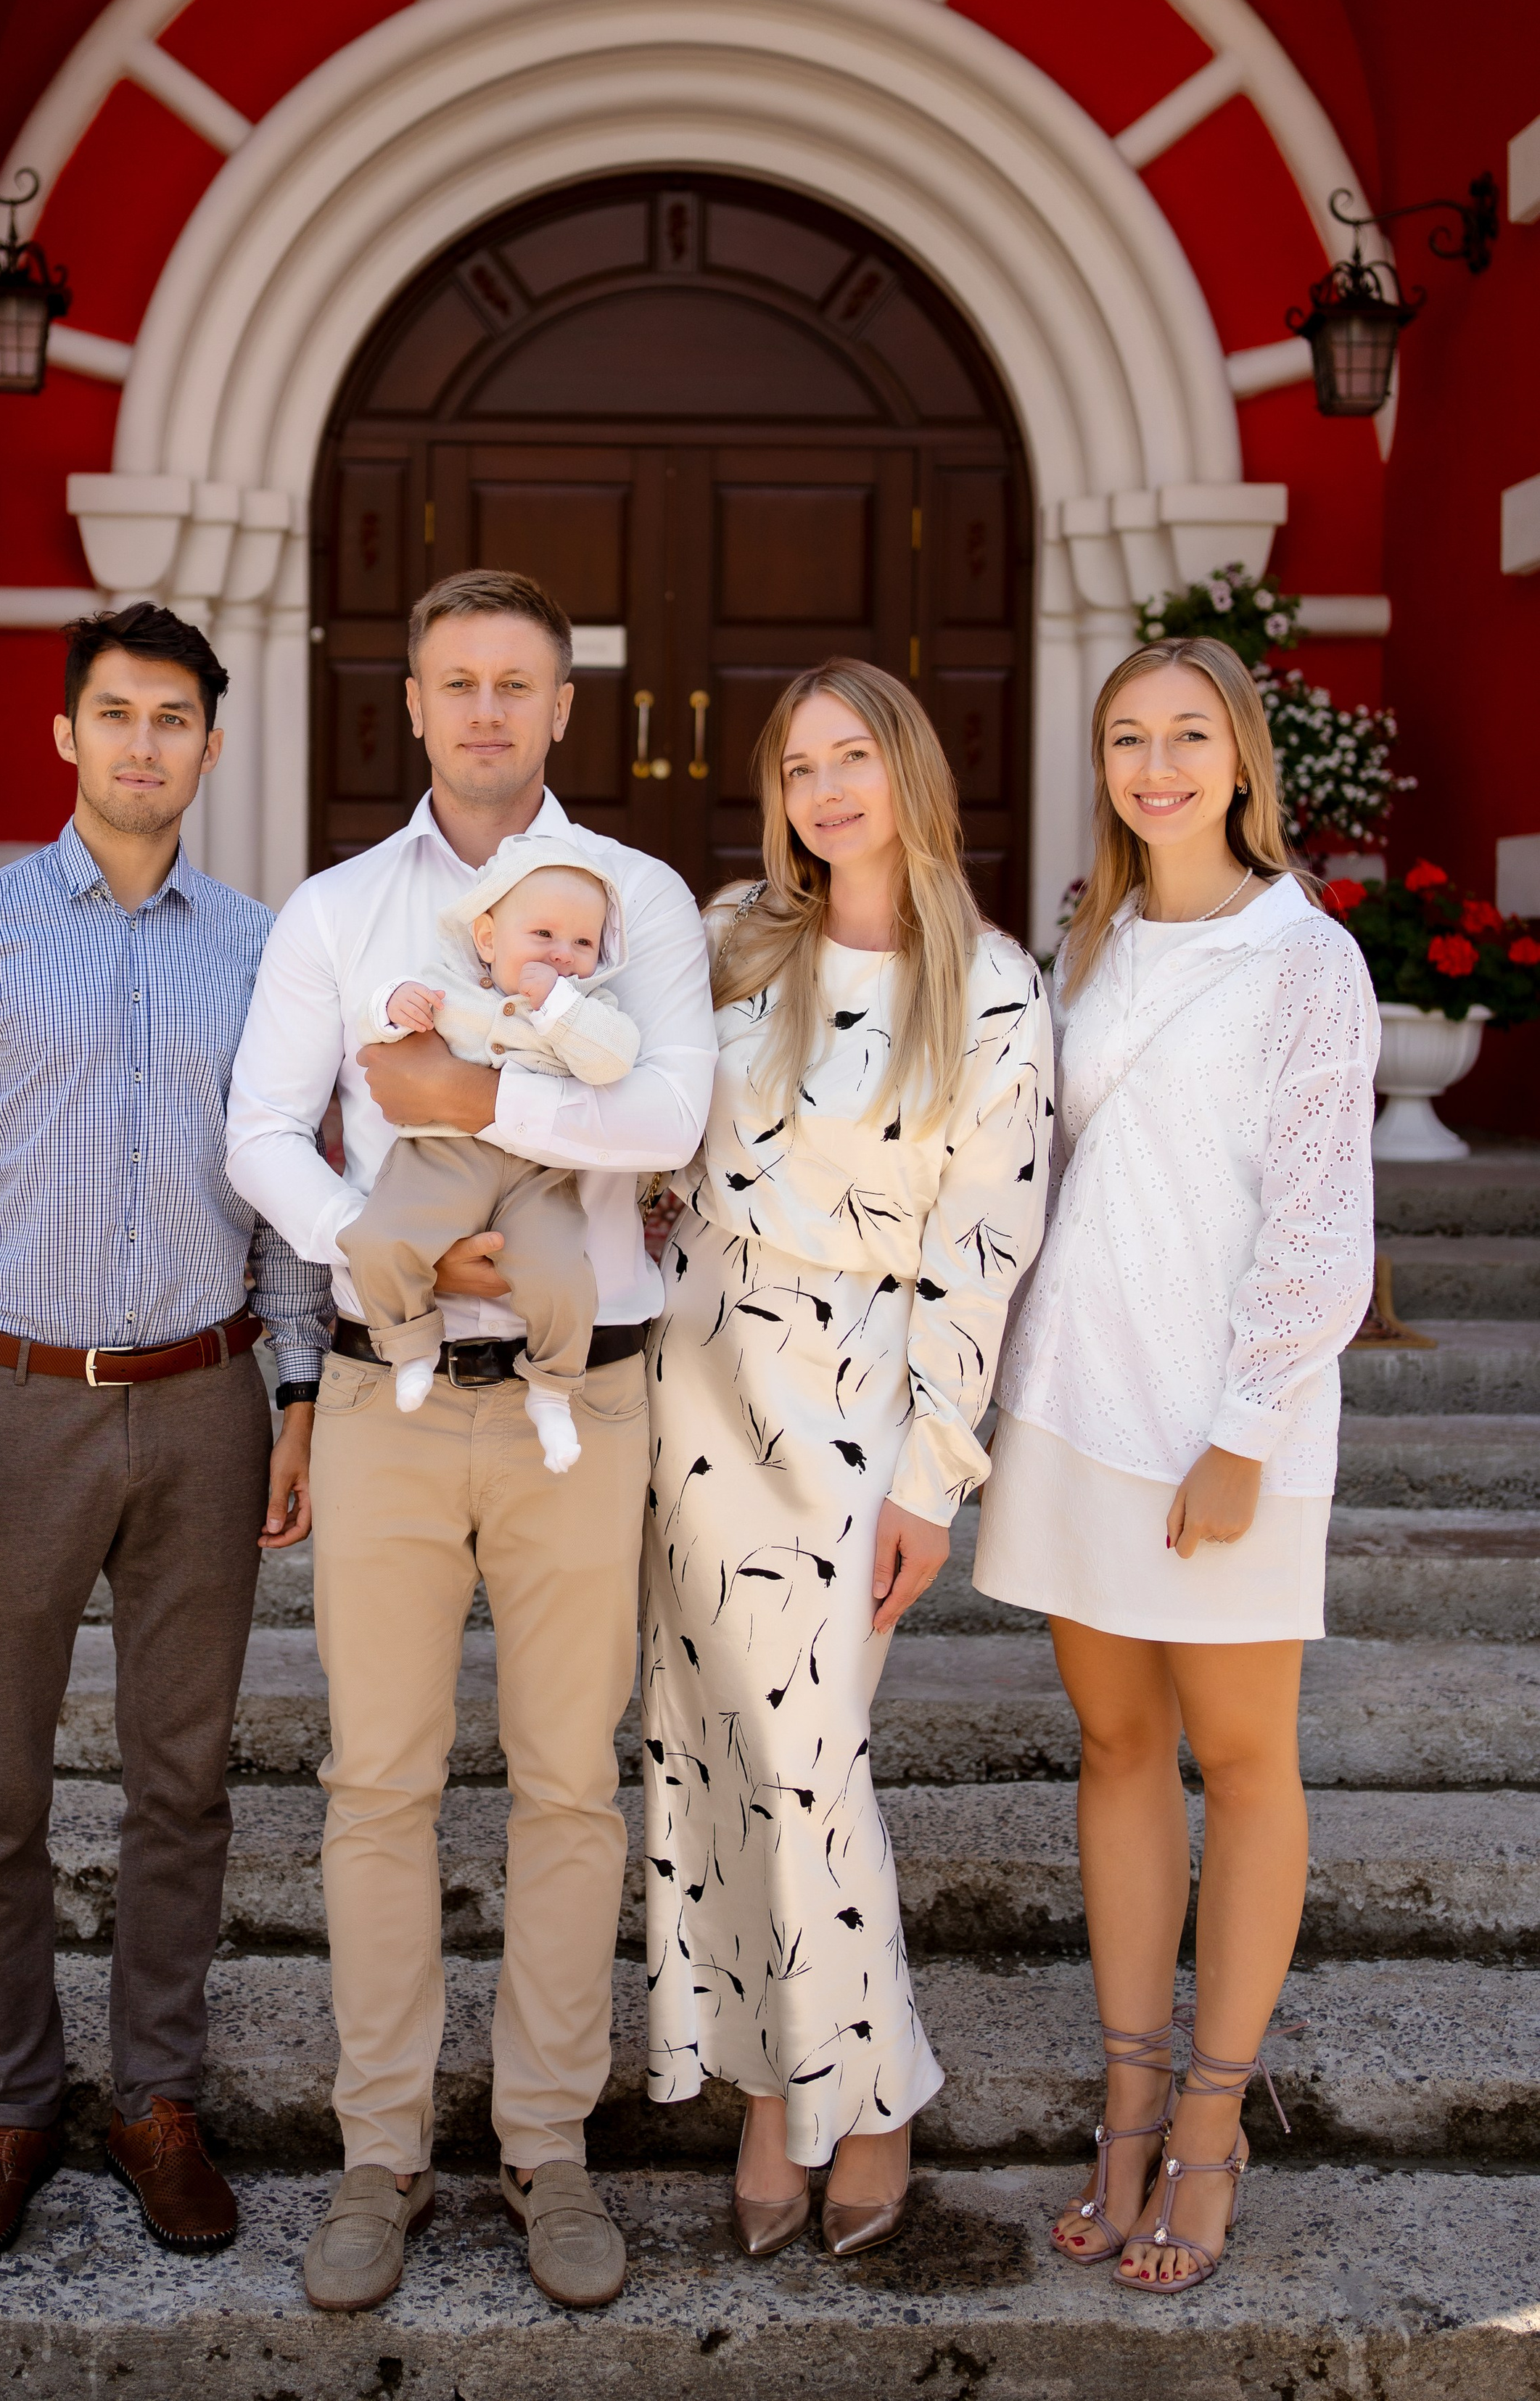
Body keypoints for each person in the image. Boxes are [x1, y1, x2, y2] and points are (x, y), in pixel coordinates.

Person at [226, 568, 715, 2315]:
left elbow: (671, 1104)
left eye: (519, 682)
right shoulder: (341, 910)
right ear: (412, 704)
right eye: (458, 682)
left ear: (562, 708)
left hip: (585, 1402)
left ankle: (546, 2144)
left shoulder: (638, 897)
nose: (488, 709)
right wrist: (418, 1241)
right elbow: (262, 1133)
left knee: (572, 1783)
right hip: (388, 1391)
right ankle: (378, 2154)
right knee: (375, 1782)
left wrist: (468, 1103)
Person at [0, 601, 329, 2268]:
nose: (142, 742)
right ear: (67, 735)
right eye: (114, 713)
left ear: (210, 741)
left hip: (201, 1405)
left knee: (178, 1780)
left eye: (173, 717)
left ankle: (154, 2097)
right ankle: (14, 2098)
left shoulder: (265, 947)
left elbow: (286, 1200)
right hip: (10, 1404)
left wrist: (295, 1393)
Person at [974, 635, 1378, 2294]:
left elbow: (1315, 1220)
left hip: (1225, 1424)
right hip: (1075, 1400)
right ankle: (1125, 2089)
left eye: (1185, 736)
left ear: (1239, 761)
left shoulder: (1304, 962)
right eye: (1127, 738)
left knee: (1242, 1753)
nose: (1155, 766)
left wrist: (1239, 1431)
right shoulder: (1088, 940)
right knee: (1113, 1741)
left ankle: (1208, 2121)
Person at [642, 659, 1053, 2257]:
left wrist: (934, 1472)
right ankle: (767, 2088)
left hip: (855, 1393)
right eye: (797, 766)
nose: (823, 792)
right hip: (693, 1372)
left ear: (907, 774)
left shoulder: (995, 988)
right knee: (709, 1748)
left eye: (850, 758)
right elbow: (642, 1116)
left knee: (811, 1755)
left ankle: (866, 2102)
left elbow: (986, 1243)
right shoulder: (734, 940)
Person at [345, 835, 641, 1470]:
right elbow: (372, 1027)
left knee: (562, 1276)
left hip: (538, 1173)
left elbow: (613, 1061)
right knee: (377, 1238)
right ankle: (410, 1346)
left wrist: (559, 1004)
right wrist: (393, 1008)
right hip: (439, 1157)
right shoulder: (448, 985)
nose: (563, 955)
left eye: (583, 944)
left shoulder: (592, 1009)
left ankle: (554, 1392)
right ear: (487, 940)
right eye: (542, 935)